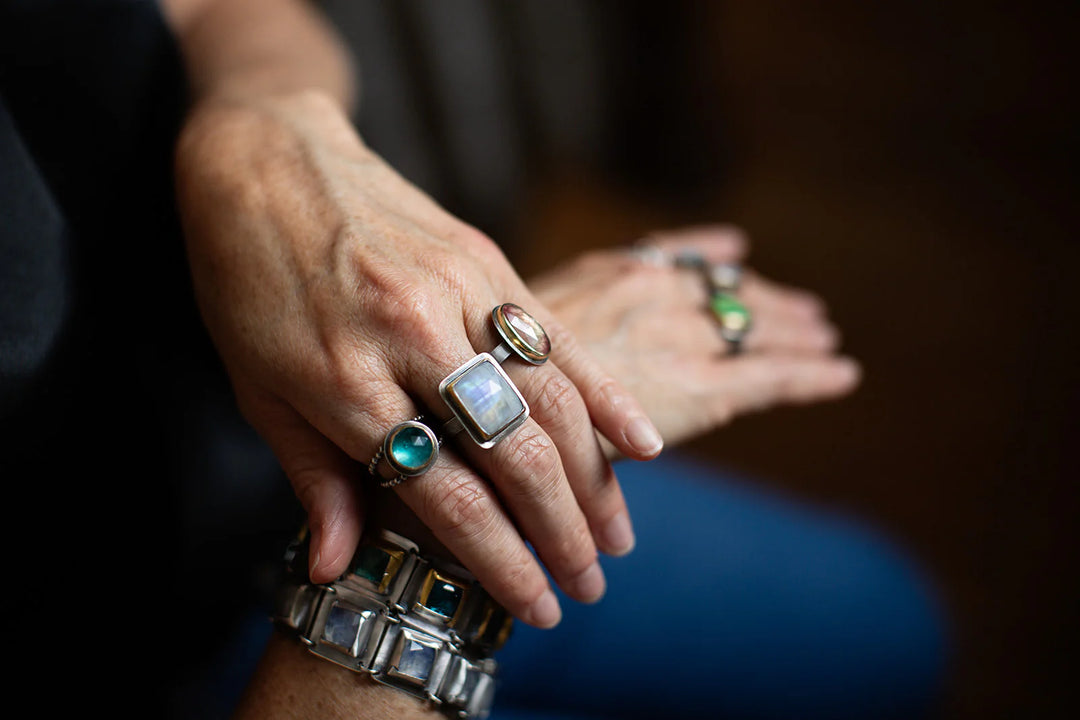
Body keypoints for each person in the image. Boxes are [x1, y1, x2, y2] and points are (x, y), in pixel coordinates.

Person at [0, 0, 946, 717]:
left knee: (887, 627)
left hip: (274, 480)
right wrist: (427, 553)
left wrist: (259, 136)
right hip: (231, 655)